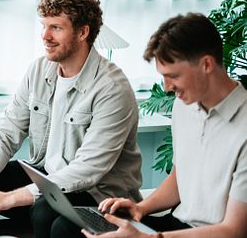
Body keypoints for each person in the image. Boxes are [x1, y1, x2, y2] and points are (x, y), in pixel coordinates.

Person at [0, 0, 143, 238]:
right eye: (44, 26)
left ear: (83, 32)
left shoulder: (112, 88)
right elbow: (7, 130)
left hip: (98, 195)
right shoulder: (39, 70)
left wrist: (10, 199)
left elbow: (88, 169)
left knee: (44, 209)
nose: (45, 36)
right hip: (47, 178)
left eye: (56, 28)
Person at [77, 13, 247, 238]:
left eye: (173, 76)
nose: (167, 88)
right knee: (69, 226)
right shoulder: (185, 105)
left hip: (214, 233)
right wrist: (140, 208)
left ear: (207, 64)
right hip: (177, 223)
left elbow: (233, 230)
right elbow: (180, 177)